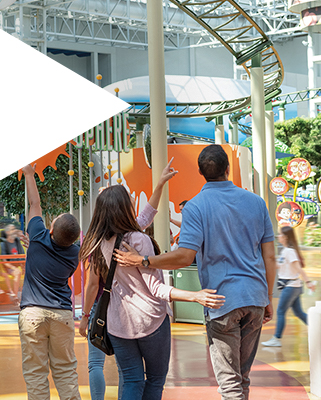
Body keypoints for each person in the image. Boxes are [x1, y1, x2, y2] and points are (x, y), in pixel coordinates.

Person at [115, 145, 276, 400]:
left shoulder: (195, 207)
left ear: (201, 172)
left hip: (220, 301)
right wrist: (267, 296)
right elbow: (269, 256)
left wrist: (144, 260)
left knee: (230, 383)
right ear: (228, 168)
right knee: (242, 377)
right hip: (255, 298)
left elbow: (184, 256)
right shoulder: (257, 203)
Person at [79, 164, 223, 400]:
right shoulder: (138, 240)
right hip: (150, 322)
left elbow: (145, 217)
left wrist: (160, 185)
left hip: (118, 324)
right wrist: (194, 296)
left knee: (133, 379)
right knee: (155, 380)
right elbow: (156, 289)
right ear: (125, 207)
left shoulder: (98, 243)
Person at [18, 163, 82, 400]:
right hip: (62, 315)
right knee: (65, 370)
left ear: (51, 228)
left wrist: (29, 174)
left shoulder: (37, 234)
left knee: (35, 372)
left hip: (33, 313)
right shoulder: (74, 253)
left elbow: (35, 204)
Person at [261, 226, 312, 348]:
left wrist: (308, 282)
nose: (278, 236)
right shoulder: (285, 251)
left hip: (291, 286)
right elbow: (280, 266)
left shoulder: (290, 251)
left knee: (280, 311)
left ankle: (277, 338)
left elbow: (298, 268)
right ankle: (318, 329)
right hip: (292, 286)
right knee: (299, 312)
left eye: (280, 235)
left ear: (286, 237)